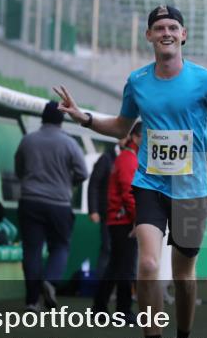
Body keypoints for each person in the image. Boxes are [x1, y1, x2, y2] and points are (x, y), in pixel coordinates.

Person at [53, 4, 207, 338]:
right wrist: (85, 118)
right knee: (147, 263)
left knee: (184, 277)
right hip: (151, 185)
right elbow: (122, 127)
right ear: (148, 36)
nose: (166, 32)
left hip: (192, 191)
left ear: (183, 35)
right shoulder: (137, 82)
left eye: (172, 27)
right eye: (159, 27)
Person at [14, 100, 88, 311]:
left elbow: (19, 169)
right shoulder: (69, 143)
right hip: (59, 203)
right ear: (61, 120)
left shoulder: (28, 141)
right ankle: (51, 280)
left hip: (29, 201)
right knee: (60, 246)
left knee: (32, 250)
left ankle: (31, 301)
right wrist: (68, 184)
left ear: (42, 118)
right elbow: (83, 173)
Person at [92, 121, 142, 317]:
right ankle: (123, 310)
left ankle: (100, 308)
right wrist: (137, 218)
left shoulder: (126, 157)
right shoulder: (128, 159)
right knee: (126, 267)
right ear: (137, 137)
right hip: (124, 221)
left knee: (116, 266)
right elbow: (129, 193)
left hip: (119, 219)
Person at [87, 136, 126, 277]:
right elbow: (94, 184)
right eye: (124, 135)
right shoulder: (106, 158)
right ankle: (101, 288)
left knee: (127, 251)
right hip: (109, 212)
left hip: (128, 213)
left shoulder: (135, 157)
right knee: (108, 247)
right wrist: (93, 210)